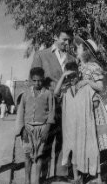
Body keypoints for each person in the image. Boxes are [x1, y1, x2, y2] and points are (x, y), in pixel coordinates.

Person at [30, 26, 75, 177]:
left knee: (63, 141)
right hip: (47, 107)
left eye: (69, 40)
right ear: (55, 37)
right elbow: (34, 82)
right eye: (64, 39)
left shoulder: (72, 59)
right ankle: (42, 176)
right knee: (45, 142)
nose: (67, 43)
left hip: (67, 106)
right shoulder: (41, 55)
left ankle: (60, 175)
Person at [73, 36, 107, 184]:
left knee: (93, 141)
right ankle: (82, 174)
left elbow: (100, 87)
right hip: (81, 106)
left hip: (93, 107)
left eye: (79, 47)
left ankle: (98, 177)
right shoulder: (79, 67)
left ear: (86, 51)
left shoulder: (93, 66)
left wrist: (87, 81)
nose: (77, 49)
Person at [15, 67, 55, 184]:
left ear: (43, 80)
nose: (37, 83)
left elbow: (51, 112)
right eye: (34, 80)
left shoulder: (48, 94)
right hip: (27, 129)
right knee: (27, 156)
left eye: (40, 80)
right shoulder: (25, 94)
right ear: (31, 80)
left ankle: (37, 180)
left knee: (39, 156)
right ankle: (27, 181)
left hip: (42, 129)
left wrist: (47, 129)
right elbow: (20, 112)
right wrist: (22, 129)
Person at [54, 62, 80, 183]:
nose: (72, 79)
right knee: (66, 148)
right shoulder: (65, 87)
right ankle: (63, 173)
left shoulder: (81, 87)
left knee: (78, 149)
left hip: (79, 123)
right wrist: (63, 76)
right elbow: (55, 93)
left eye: (74, 76)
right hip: (66, 124)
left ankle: (78, 174)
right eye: (69, 76)